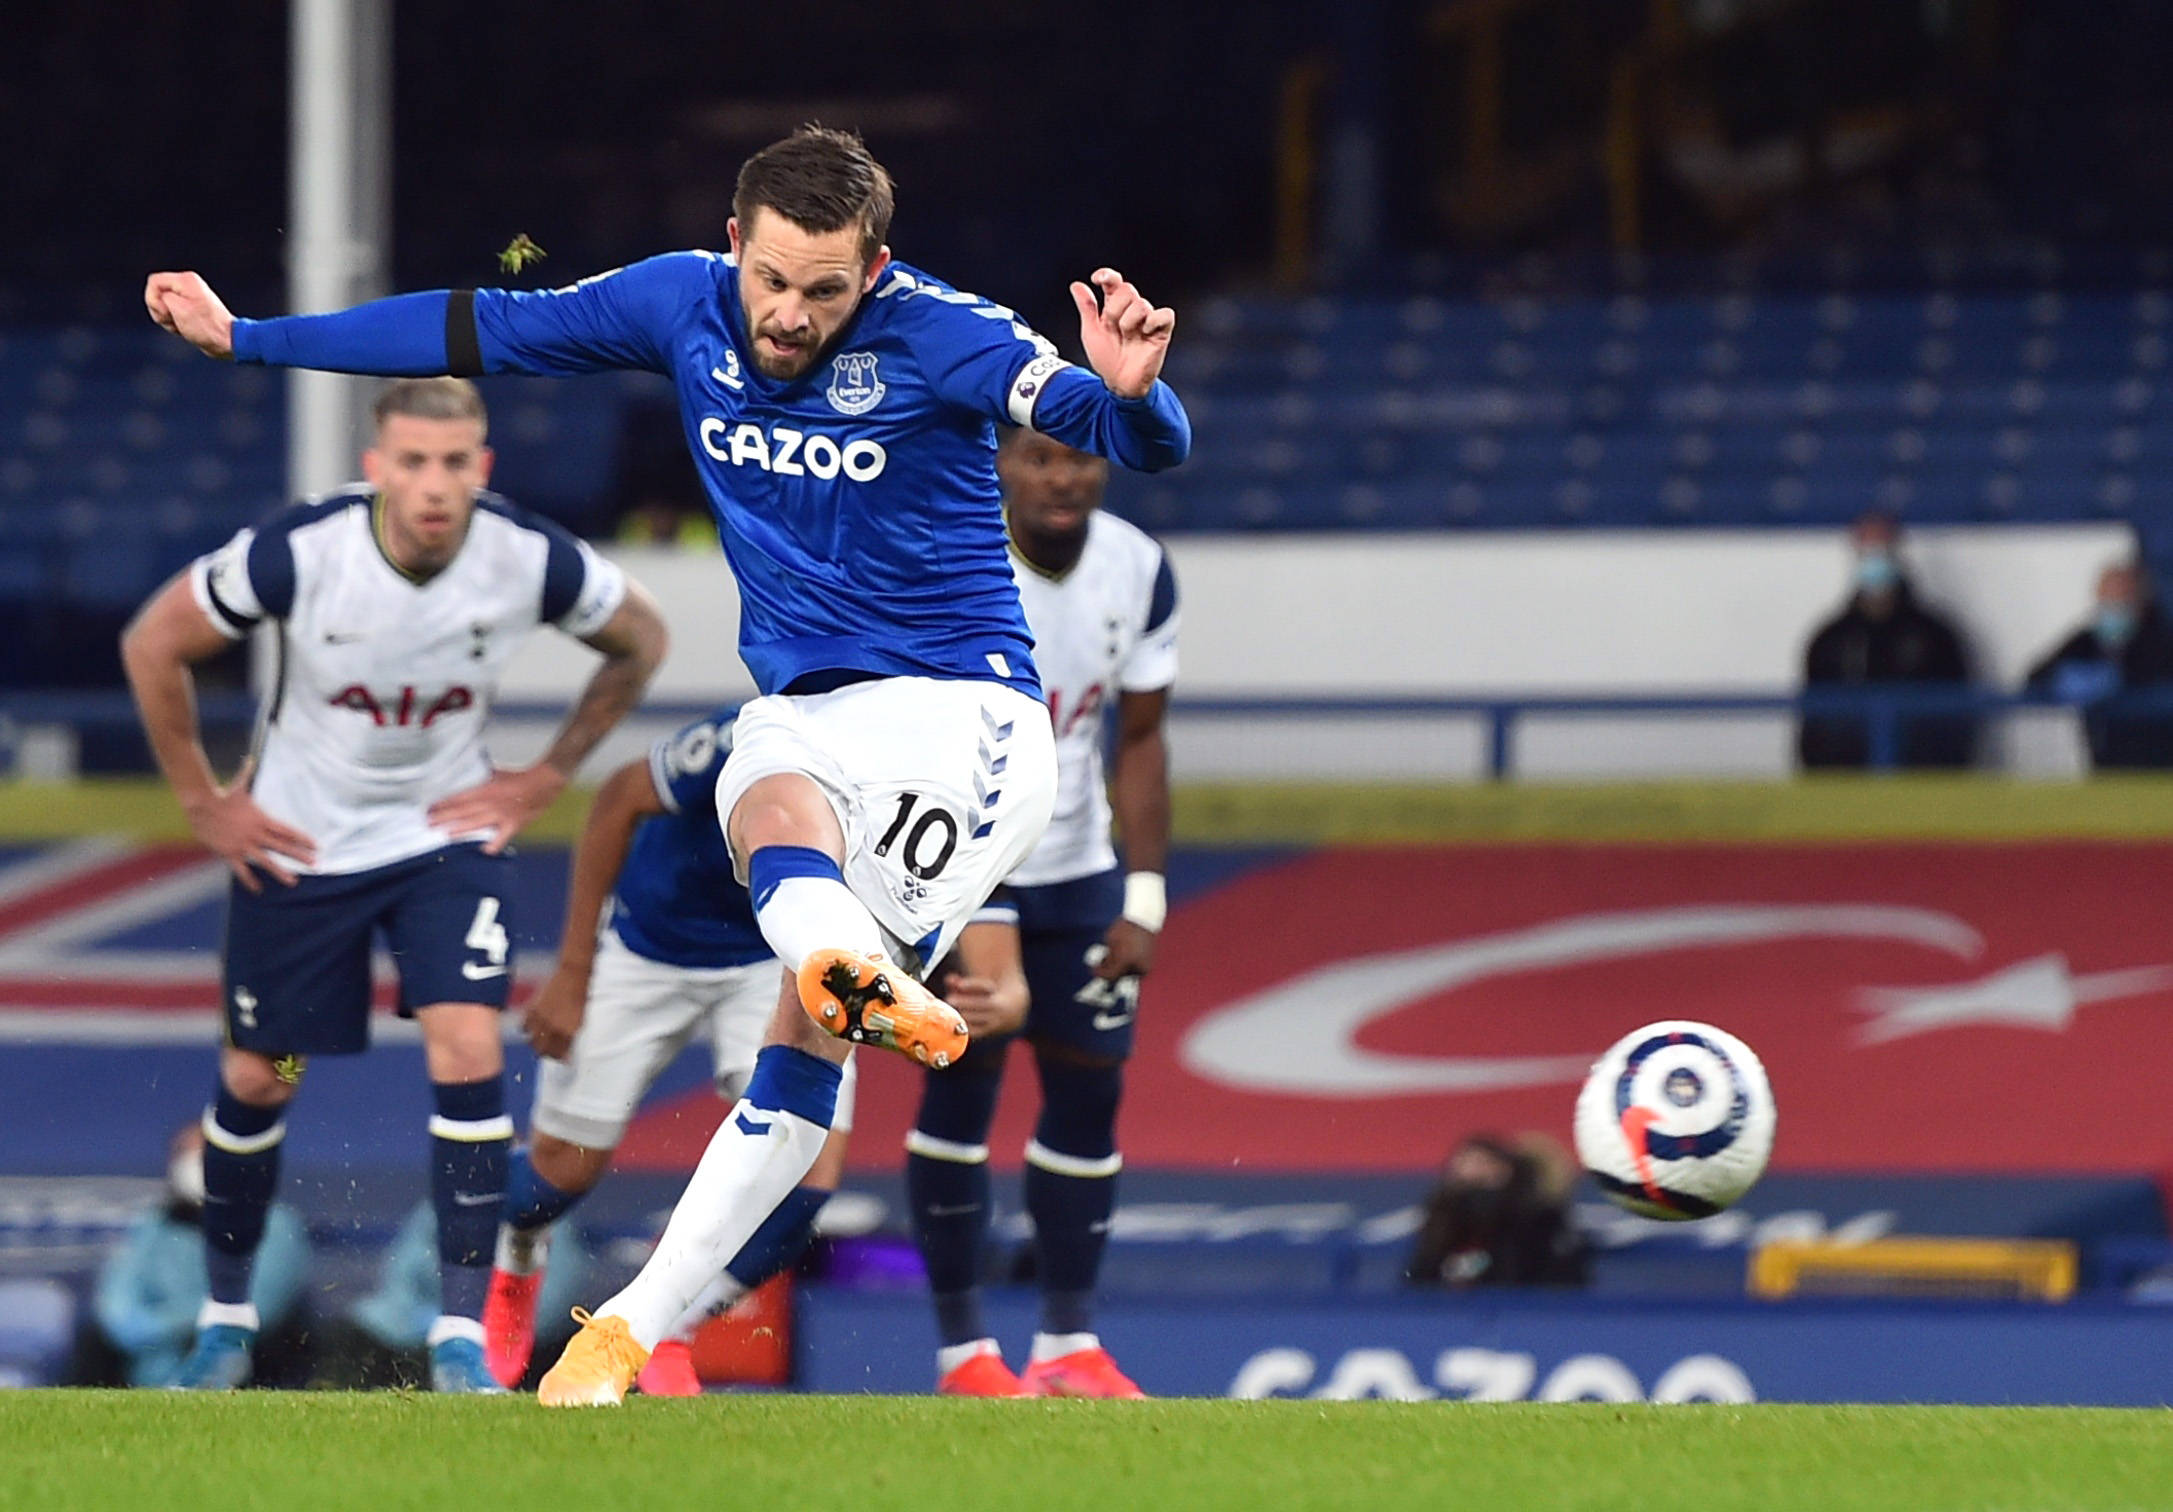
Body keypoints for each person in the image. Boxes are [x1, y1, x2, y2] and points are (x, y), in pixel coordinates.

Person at [148, 124, 1188, 1404]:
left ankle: (821, 983)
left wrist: (1140, 395)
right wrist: (251, 338)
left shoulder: (946, 332)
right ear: (735, 243)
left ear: (876, 267)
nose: (791, 316)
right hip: (814, 711)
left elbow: (1115, 433)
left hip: (966, 721)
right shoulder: (675, 299)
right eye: (773, 280)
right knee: (764, 817)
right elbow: (477, 327)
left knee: (794, 959)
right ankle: (631, 1325)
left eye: (826, 289)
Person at [117, 377, 669, 1392]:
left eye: (454, 464)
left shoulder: (526, 557)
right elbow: (155, 643)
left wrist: (543, 774)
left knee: (465, 1049)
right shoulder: (302, 550)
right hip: (301, 847)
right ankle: (227, 1319)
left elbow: (639, 640)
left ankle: (459, 1335)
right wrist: (204, 803)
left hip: (441, 845)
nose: (432, 485)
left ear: (482, 469)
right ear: (376, 468)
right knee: (262, 1076)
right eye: (411, 462)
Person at [482, 710, 1028, 1394]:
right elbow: (620, 795)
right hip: (653, 948)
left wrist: (999, 984)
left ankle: (664, 1325)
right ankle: (520, 1249)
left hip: (775, 963)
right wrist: (572, 969)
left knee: (803, 1187)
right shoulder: (762, 736)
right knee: (556, 1177)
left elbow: (957, 881)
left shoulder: (930, 775)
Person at [905, 429, 1177, 1399]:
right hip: (967, 863)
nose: (1063, 478)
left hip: (1078, 870)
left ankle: (1067, 1348)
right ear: (1001, 466)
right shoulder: (951, 554)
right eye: (1038, 459)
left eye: (1080, 459)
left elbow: (1138, 739)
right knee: (962, 1081)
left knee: (1091, 1096)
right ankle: (963, 1354)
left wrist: (1141, 898)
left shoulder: (1138, 569)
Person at [87, 1123, 310, 1388]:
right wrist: (170, 1329)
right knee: (93, 1346)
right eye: (186, 1154)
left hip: (245, 1357)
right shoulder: (154, 1225)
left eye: (208, 1153)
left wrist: (198, 1328)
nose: (196, 1165)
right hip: (154, 1360)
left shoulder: (275, 1224)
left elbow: (266, 1306)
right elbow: (118, 1309)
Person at [1797, 510, 1977, 769]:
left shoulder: (1935, 635)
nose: (1875, 560)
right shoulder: (1831, 639)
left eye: (1882, 551)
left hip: (1922, 782)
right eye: (1868, 551)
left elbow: (1959, 714)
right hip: (1846, 785)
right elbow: (1813, 722)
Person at [2025, 561, 2173, 770]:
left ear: (2139, 600)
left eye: (2120, 600)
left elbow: (2159, 675)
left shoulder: (2161, 641)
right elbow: (2035, 675)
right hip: (2104, 763)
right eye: (2106, 600)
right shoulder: (2087, 640)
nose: (2112, 608)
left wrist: (2122, 679)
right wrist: (2063, 678)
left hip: (2157, 766)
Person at [1403, 1134, 1588, 1290]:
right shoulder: (1442, 1215)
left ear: (1506, 1170)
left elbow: (1545, 1276)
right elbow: (1420, 1275)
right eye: (1465, 1164)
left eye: (1482, 1163)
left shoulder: (1536, 1219)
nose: (1473, 1172)